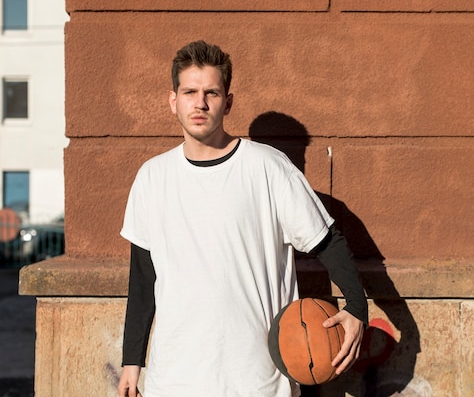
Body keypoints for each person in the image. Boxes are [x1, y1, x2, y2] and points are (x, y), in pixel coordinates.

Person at [117, 40, 368, 397]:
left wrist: (357, 309)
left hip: (257, 382)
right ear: (173, 100)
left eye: (211, 93)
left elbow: (327, 241)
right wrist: (132, 364)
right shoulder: (152, 177)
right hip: (173, 379)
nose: (200, 102)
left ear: (228, 101)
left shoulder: (268, 167)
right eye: (189, 91)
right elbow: (143, 280)